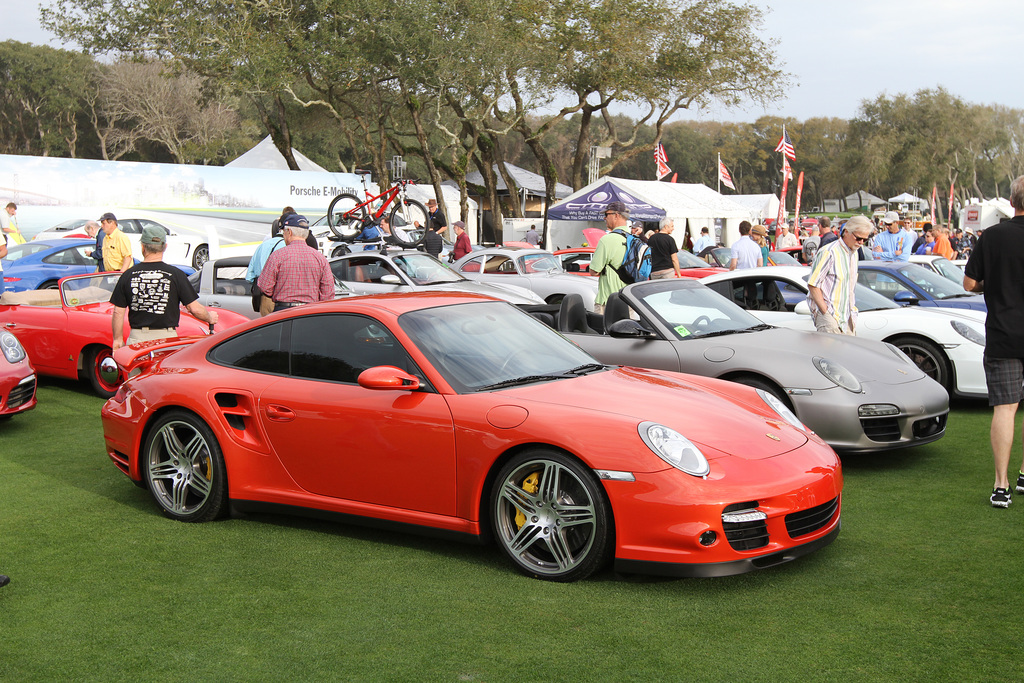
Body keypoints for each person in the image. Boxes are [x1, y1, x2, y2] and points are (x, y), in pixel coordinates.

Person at [963, 175, 1024, 507]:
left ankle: (1001, 485)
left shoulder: (994, 236)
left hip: (1003, 333)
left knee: (1006, 408)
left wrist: (994, 283)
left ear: (1012, 202)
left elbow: (970, 282)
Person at [111, 226, 218, 348]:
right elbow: (194, 308)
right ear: (165, 247)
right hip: (167, 339)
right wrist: (210, 317)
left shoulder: (128, 275)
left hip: (138, 339)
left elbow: (118, 311)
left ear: (142, 247)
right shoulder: (176, 274)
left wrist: (117, 340)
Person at [806, 215, 872, 335]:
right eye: (858, 238)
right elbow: (813, 284)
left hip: (847, 315)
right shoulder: (829, 252)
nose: (861, 243)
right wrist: (825, 312)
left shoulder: (854, 254)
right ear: (846, 232)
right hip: (830, 315)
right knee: (831, 353)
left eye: (865, 240)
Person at [258, 214, 334, 312]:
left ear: (289, 232)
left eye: (283, 232)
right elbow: (328, 293)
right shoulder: (320, 258)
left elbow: (264, 286)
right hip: (310, 311)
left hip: (283, 311)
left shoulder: (277, 256)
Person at [591, 201, 631, 314]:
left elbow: (594, 271)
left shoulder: (606, 240)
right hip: (629, 301)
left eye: (607, 215)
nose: (604, 218)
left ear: (616, 215)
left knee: (604, 330)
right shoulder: (634, 239)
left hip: (608, 300)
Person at [247, 232, 287, 316]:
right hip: (282, 296)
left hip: (265, 297)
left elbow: (249, 277)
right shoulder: (287, 246)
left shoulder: (261, 246)